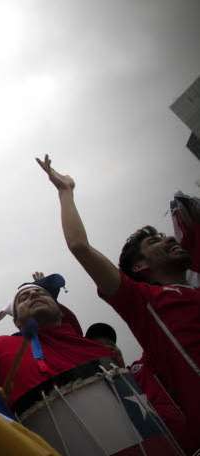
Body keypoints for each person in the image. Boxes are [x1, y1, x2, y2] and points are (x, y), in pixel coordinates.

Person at [37, 154, 200, 454]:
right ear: (139, 268)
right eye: (154, 243)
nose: (167, 240)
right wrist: (66, 192)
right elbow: (79, 246)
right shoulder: (144, 302)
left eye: (165, 235)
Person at [0, 273, 113, 409]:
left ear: (61, 311)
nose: (34, 294)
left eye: (42, 293)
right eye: (23, 298)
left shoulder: (96, 349)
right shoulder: (0, 346)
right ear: (17, 321)